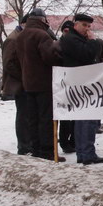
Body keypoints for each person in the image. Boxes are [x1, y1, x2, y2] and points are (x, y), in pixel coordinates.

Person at [59, 13, 103, 165]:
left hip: (81, 84)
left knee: (83, 120)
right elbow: (87, 55)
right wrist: (93, 41)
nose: (87, 29)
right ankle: (87, 153)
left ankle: (84, 152)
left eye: (89, 26)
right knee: (86, 120)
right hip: (82, 85)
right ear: (76, 24)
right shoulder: (71, 39)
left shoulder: (74, 39)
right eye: (84, 25)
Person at [16, 8, 63, 161]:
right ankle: (48, 151)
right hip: (44, 83)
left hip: (28, 84)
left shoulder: (21, 36)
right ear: (43, 20)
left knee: (33, 119)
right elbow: (50, 57)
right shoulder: (42, 35)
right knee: (46, 119)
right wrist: (58, 51)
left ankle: (35, 149)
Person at [1, 13, 32, 155]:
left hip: (24, 82)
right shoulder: (13, 39)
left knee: (27, 114)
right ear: (24, 24)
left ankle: (27, 144)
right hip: (20, 84)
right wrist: (24, 76)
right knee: (23, 115)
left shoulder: (20, 37)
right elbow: (8, 63)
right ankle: (24, 146)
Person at [57, 20, 76, 154]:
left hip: (74, 83)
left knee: (75, 116)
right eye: (65, 31)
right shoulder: (58, 45)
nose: (67, 33)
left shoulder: (76, 43)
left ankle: (73, 141)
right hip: (63, 84)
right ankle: (64, 142)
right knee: (65, 117)